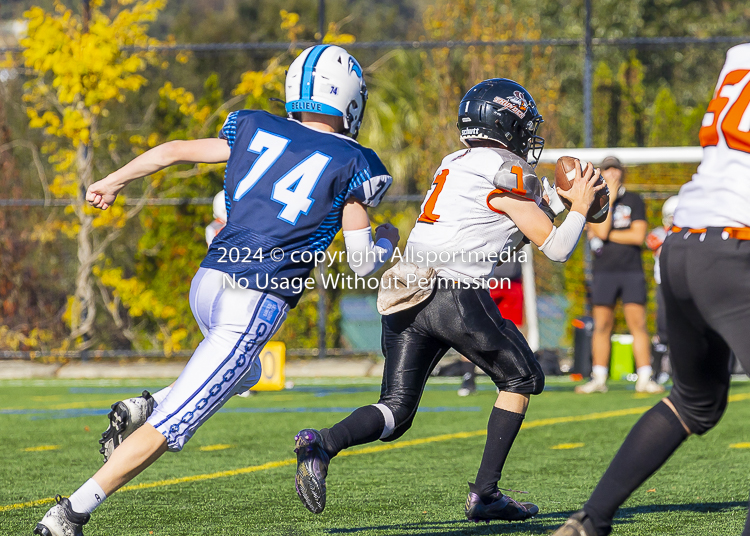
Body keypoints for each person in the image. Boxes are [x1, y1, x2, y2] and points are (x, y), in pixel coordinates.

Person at [34, 44, 399, 536]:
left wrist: (113, 179)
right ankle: (70, 513)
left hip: (207, 283)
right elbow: (361, 263)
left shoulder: (256, 126)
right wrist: (388, 239)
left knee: (244, 372)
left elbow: (173, 151)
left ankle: (145, 402)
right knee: (171, 427)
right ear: (352, 100)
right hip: (255, 300)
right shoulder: (352, 160)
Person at [293, 78, 604, 522]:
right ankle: (485, 493)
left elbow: (504, 217)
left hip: (405, 287)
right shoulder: (508, 171)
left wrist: (559, 200)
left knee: (396, 411)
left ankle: (322, 443)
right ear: (507, 123)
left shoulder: (456, 161)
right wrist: (579, 206)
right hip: (453, 292)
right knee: (522, 380)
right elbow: (555, 247)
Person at [552, 43, 750, 536]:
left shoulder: (738, 55)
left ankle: (591, 520)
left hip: (683, 245)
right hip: (735, 246)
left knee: (693, 402)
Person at [576, 155, 662, 394]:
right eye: (608, 169)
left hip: (631, 270)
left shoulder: (635, 200)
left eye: (616, 169)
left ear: (622, 172)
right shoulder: (596, 200)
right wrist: (609, 199)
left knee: (638, 324)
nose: (612, 173)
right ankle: (599, 377)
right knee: (602, 324)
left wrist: (602, 234)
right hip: (604, 272)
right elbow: (601, 229)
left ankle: (645, 376)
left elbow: (636, 236)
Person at [458, 260, 524, 396]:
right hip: (484, 280)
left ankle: (510, 377)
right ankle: (468, 378)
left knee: (512, 331)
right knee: (472, 328)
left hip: (512, 282)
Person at [645, 195, 678, 384]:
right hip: (664, 285)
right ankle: (657, 372)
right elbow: (655, 243)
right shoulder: (659, 233)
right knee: (663, 330)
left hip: (683, 285)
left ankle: (678, 371)